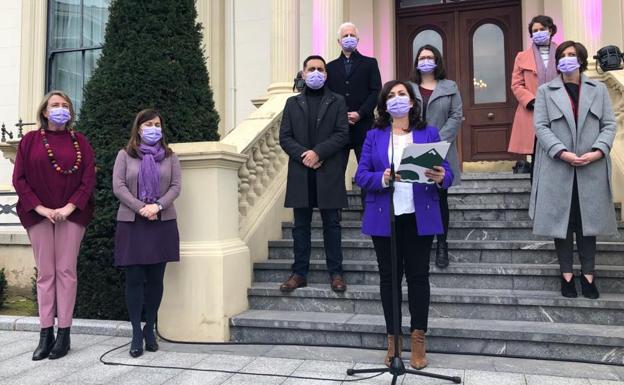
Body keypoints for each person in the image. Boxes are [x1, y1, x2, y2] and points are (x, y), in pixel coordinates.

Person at [355, 80, 453, 369]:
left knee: (419, 278)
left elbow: (446, 174)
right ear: (384, 104)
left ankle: (418, 341)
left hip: (418, 214)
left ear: (412, 102)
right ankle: (393, 342)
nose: (397, 99)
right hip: (385, 217)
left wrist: (440, 177)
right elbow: (361, 175)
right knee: (390, 280)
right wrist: (382, 177)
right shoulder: (374, 135)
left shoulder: (427, 132)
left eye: (402, 95)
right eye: (391, 96)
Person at [530, 41, 617, 300]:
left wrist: (598, 150)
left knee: (588, 223)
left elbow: (609, 124)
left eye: (571, 55)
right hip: (559, 165)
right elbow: (541, 127)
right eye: (562, 56)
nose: (567, 59)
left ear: (580, 59)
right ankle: (566, 275)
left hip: (592, 165)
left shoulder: (598, 89)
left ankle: (588, 276)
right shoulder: (546, 90)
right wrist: (561, 152)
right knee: (563, 223)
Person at [13, 91, 96, 360]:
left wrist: (68, 208)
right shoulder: (30, 141)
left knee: (66, 272)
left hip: (70, 215)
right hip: (38, 214)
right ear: (45, 112)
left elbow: (88, 179)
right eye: (55, 105)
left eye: (65, 106)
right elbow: (20, 179)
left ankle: (64, 334)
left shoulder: (80, 141)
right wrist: (42, 208)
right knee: (46, 273)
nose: (61, 109)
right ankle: (45, 332)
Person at [113, 109, 181, 357]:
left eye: (157, 124)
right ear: (139, 128)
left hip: (161, 221)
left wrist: (157, 206)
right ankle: (135, 333)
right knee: (134, 280)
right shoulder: (124, 155)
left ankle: (149, 329)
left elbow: (175, 186)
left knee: (155, 280)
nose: (154, 128)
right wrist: (142, 207)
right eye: (149, 124)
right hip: (133, 222)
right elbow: (118, 186)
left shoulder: (171, 157)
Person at [279, 55, 350, 293]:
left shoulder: (337, 101)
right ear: (303, 73)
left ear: (326, 74)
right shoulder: (292, 103)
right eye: (312, 69)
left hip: (328, 169)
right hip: (301, 171)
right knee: (301, 226)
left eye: (320, 69)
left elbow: (342, 134)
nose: (316, 73)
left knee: (332, 224)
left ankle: (336, 273)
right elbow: (285, 137)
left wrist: (318, 153)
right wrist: (305, 156)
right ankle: (299, 273)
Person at [409, 44, 463, 269]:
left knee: (440, 198)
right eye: (422, 57)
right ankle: (422, 242)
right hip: (414, 149)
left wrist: (436, 140)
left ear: (437, 61)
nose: (426, 61)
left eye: (430, 57)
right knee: (418, 196)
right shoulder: (409, 88)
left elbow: (456, 115)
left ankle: (442, 243)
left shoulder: (450, 86)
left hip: (442, 148)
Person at [326, 22, 382, 207]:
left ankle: (369, 209)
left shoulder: (369, 63)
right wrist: (340, 115)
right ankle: (336, 209)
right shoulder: (330, 67)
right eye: (345, 36)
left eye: (352, 35)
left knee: (367, 168)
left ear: (357, 39)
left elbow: (375, 91)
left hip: (364, 125)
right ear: (338, 41)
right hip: (339, 128)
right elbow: (328, 96)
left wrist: (360, 113)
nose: (348, 38)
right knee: (335, 171)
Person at [508, 15, 559, 176]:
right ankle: (537, 198)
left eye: (542, 29)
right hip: (532, 112)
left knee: (558, 154)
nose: (538, 33)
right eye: (534, 31)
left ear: (550, 30)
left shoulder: (562, 53)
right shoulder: (522, 56)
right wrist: (532, 101)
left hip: (558, 111)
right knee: (536, 158)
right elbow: (516, 84)